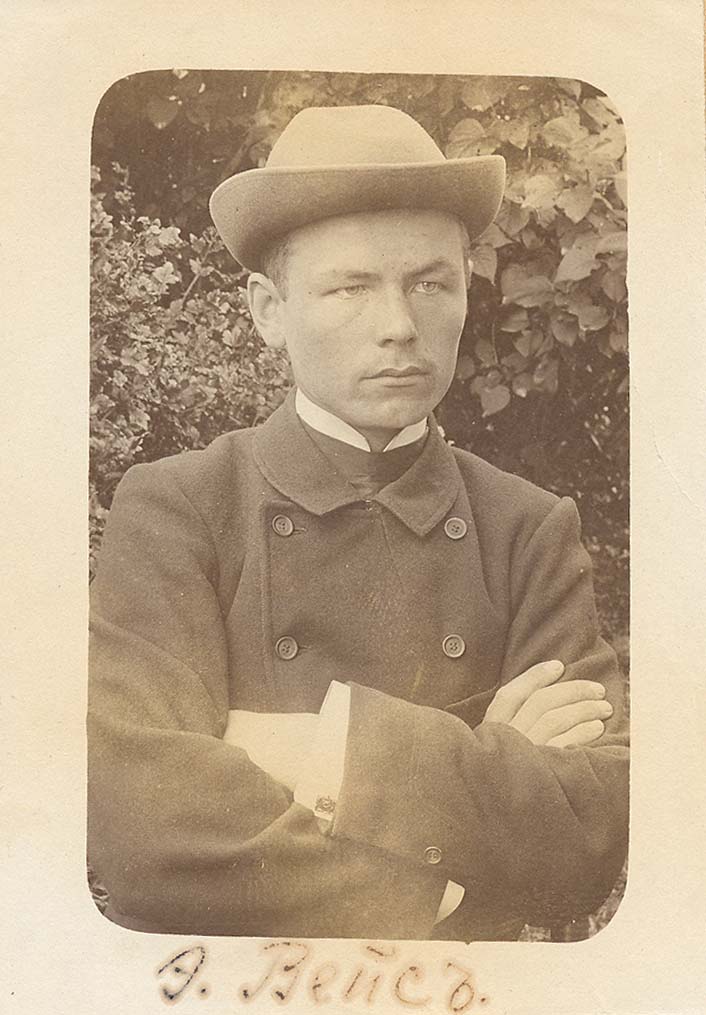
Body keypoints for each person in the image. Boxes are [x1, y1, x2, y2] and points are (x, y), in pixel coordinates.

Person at [88, 103, 628, 941]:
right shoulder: (180, 509)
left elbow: (592, 830)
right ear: (268, 310)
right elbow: (144, 832)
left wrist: (319, 746)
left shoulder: (527, 530)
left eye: (431, 283)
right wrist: (450, 861)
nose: (399, 327)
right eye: (350, 287)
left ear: (466, 291)